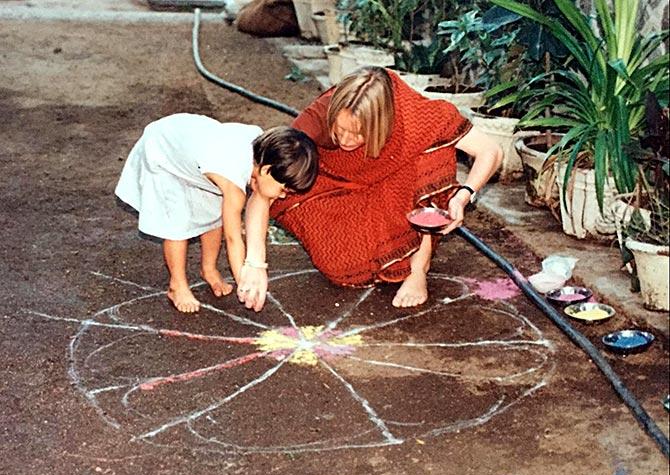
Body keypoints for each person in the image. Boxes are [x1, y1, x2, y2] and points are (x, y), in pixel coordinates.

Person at [237, 67, 502, 312]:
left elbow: (490, 150)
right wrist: (255, 263)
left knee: (432, 156)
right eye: (339, 130)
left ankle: (417, 268)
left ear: (383, 124)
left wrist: (463, 196)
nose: (346, 140)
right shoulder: (317, 118)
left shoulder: (412, 116)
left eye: (358, 133)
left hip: (396, 181)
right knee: (341, 267)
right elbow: (264, 188)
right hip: (337, 181)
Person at [115, 113, 318, 313]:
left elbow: (260, 206)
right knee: (176, 223)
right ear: (266, 171)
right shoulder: (232, 180)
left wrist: (256, 264)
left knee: (212, 213)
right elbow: (232, 238)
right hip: (164, 151)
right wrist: (244, 281)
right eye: (283, 190)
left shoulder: (265, 153)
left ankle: (209, 269)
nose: (282, 196)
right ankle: (177, 285)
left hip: (192, 149)